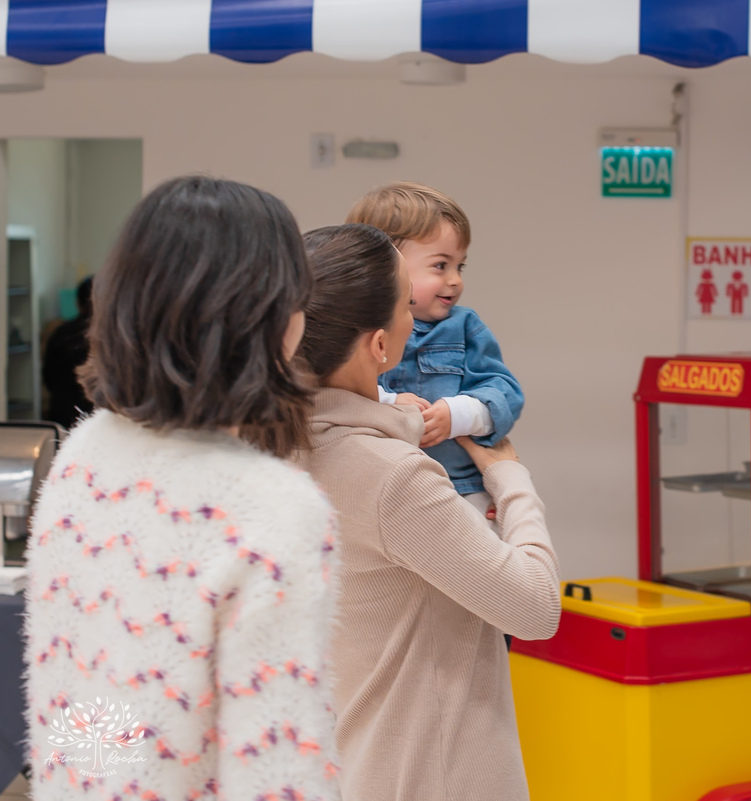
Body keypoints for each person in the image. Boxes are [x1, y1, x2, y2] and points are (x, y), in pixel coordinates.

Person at [24, 177, 341, 801]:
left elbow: (81, 696)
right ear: (266, 318)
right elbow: (276, 772)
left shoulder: (83, 455)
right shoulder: (272, 507)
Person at [296, 223, 560, 801]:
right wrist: (510, 476)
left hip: (351, 766)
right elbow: (536, 609)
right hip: (430, 775)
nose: (417, 321)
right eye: (403, 306)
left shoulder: (281, 451)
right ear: (380, 347)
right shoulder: (390, 476)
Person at [345, 182, 523, 521]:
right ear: (386, 266)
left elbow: (506, 394)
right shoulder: (353, 328)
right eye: (441, 265)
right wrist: (388, 404)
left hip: (460, 487)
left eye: (460, 266)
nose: (455, 280)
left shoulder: (464, 327)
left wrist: (458, 414)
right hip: (381, 489)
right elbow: (334, 397)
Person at [41, 276, 95, 430]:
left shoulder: (60, 332)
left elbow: (48, 375)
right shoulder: (109, 336)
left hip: (62, 413)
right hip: (95, 415)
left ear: (78, 304)